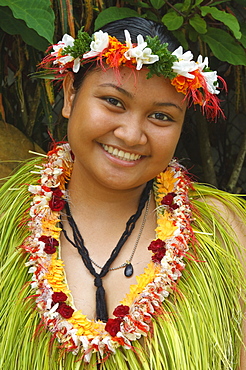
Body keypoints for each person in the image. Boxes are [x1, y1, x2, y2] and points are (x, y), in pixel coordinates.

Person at [0, 17, 245, 370]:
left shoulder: (221, 233)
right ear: (70, 94)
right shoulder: (8, 219)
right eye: (114, 102)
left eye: (161, 116)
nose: (132, 135)